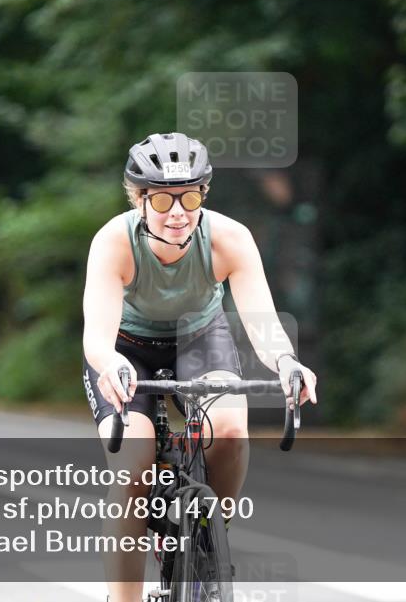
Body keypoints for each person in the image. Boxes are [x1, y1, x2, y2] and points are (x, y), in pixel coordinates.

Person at [81, 132, 317, 602]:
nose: (177, 213)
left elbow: (262, 323)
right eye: (162, 200)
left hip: (200, 340)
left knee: (229, 432)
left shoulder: (229, 239)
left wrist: (287, 362)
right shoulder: (114, 241)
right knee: (134, 467)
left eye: (189, 198)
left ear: (203, 195)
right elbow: (97, 336)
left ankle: (211, 537)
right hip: (127, 350)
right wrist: (109, 364)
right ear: (139, 199)